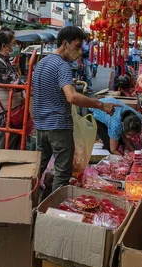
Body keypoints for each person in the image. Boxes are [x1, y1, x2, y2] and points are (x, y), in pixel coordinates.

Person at [33, 26, 116, 192]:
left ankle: (30, 206)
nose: (79, 52)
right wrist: (100, 105)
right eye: (77, 46)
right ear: (65, 44)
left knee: (37, 171)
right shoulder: (61, 65)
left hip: (41, 126)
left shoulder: (41, 63)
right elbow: (72, 97)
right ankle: (53, 211)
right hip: (58, 126)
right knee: (63, 173)